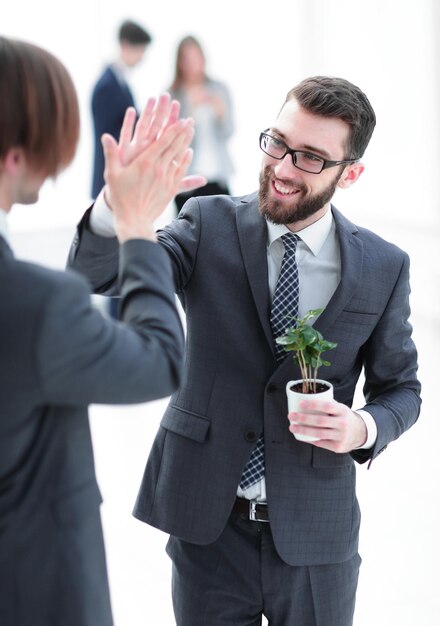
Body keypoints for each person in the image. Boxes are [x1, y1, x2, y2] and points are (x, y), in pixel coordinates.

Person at [68, 76, 422, 626]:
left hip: (316, 538)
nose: (281, 167)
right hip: (209, 528)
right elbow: (100, 274)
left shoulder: (383, 266)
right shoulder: (206, 224)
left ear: (349, 174)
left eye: (309, 158)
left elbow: (402, 388)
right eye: (277, 142)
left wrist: (363, 428)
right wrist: (119, 206)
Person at [0, 35, 204, 626]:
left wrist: (113, 211)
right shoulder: (33, 303)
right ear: (18, 155)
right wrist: (138, 224)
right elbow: (161, 359)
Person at [169, 35, 235, 214]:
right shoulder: (173, 94)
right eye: (187, 59)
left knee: (223, 233)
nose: (192, 64)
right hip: (187, 178)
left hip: (217, 175)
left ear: (203, 58)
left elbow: (228, 132)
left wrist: (221, 113)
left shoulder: (219, 88)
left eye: (196, 57)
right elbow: (174, 141)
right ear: (180, 63)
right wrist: (190, 111)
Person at [91, 19, 152, 200]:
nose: (142, 57)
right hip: (111, 180)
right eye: (141, 50)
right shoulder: (107, 86)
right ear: (126, 45)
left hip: (120, 178)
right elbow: (109, 138)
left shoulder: (120, 82)